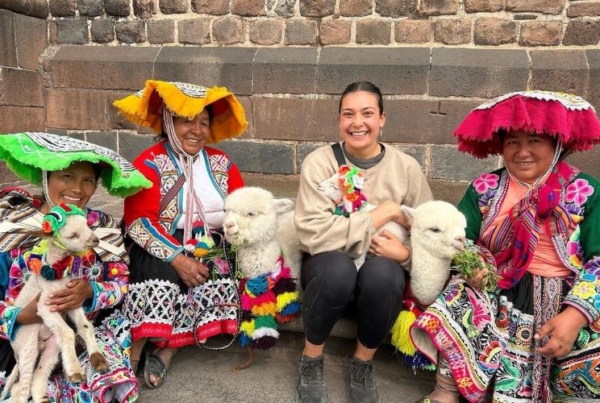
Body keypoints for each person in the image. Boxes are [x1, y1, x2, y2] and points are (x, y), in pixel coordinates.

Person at [411, 91, 600, 403]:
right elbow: (460, 241)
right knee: (460, 293)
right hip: (497, 289)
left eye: (535, 141)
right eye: (512, 141)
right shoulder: (485, 189)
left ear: (556, 143)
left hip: (567, 298)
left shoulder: (587, 192)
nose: (522, 152)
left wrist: (575, 316)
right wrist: (476, 265)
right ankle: (445, 391)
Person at [294, 81, 434, 403]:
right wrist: (379, 215)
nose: (358, 123)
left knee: (384, 274)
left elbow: (427, 229)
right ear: (339, 121)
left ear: (382, 118)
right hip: (328, 269)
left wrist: (405, 255)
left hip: (378, 275)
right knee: (337, 269)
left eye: (367, 113)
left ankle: (362, 363)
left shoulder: (406, 168)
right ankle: (311, 359)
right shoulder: (321, 163)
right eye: (348, 114)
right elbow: (311, 231)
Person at [114, 80, 248, 389]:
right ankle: (133, 352)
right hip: (159, 242)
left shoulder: (221, 163)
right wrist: (177, 258)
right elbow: (138, 222)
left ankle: (168, 349)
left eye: (203, 122)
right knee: (160, 270)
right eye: (187, 120)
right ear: (168, 122)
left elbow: (242, 207)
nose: (197, 130)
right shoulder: (150, 163)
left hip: (210, 241)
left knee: (218, 264)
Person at [0, 131, 151, 402]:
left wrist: (90, 291)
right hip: (16, 336)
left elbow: (120, 284)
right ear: (46, 177)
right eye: (67, 176)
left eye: (88, 180)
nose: (78, 189)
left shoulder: (102, 227)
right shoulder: (13, 226)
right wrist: (20, 316)